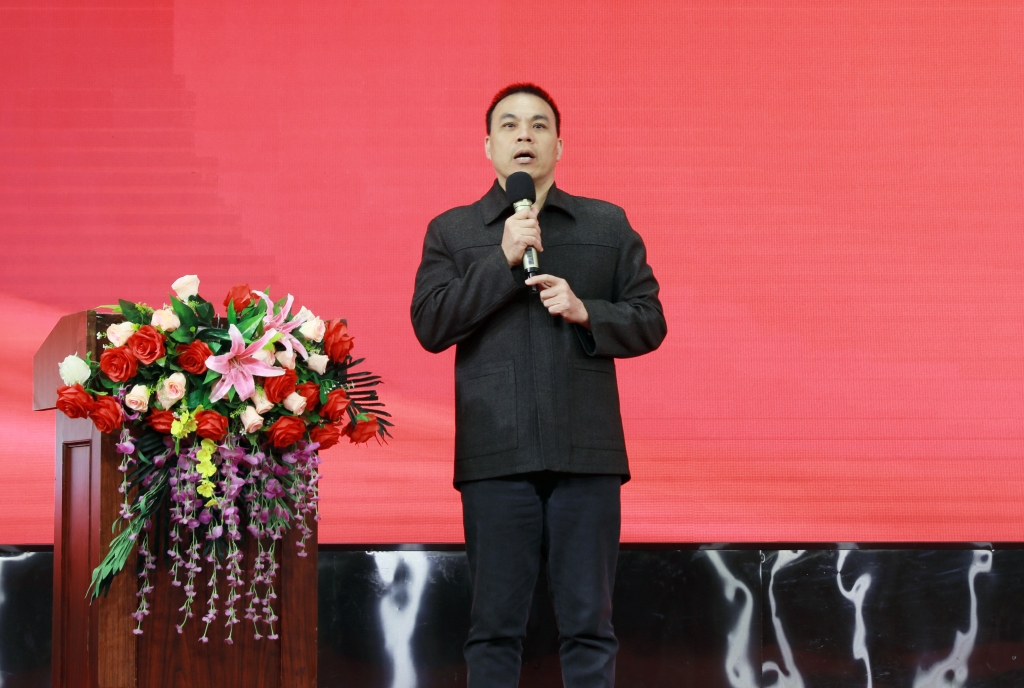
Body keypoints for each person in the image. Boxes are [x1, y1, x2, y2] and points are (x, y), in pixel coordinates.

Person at [411, 83, 666, 688]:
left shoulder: (606, 223)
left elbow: (650, 319)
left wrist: (587, 311)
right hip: (496, 454)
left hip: (587, 453)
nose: (524, 135)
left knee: (590, 625)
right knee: (494, 629)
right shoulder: (453, 230)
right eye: (509, 125)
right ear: (488, 146)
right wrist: (500, 258)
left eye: (538, 125)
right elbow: (431, 325)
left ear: (559, 145)